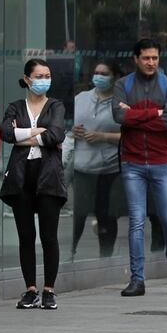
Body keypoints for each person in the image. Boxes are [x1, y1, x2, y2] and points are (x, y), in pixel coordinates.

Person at [112, 38, 167, 297]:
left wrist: (136, 116)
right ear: (136, 58)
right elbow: (119, 117)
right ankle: (137, 279)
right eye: (146, 58)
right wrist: (154, 113)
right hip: (132, 163)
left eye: (155, 58)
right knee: (136, 222)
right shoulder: (123, 84)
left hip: (161, 162)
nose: (151, 63)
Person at [0, 58, 68, 310]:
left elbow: (56, 134)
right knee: (26, 236)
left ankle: (49, 290)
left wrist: (23, 136)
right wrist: (39, 133)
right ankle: (30, 290)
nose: (44, 80)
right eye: (39, 76)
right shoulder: (15, 106)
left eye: (47, 75)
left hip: (48, 175)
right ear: (27, 79)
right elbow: (5, 133)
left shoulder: (56, 106)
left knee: (49, 236)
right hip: (21, 176)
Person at [71, 60, 124, 258]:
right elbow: (66, 128)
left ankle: (106, 258)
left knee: (107, 216)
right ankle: (69, 253)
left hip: (108, 169)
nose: (99, 77)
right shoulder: (81, 98)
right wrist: (72, 132)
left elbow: (130, 137)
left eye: (105, 73)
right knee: (79, 215)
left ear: (115, 77)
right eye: (96, 72)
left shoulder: (120, 104)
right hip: (82, 167)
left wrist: (104, 137)